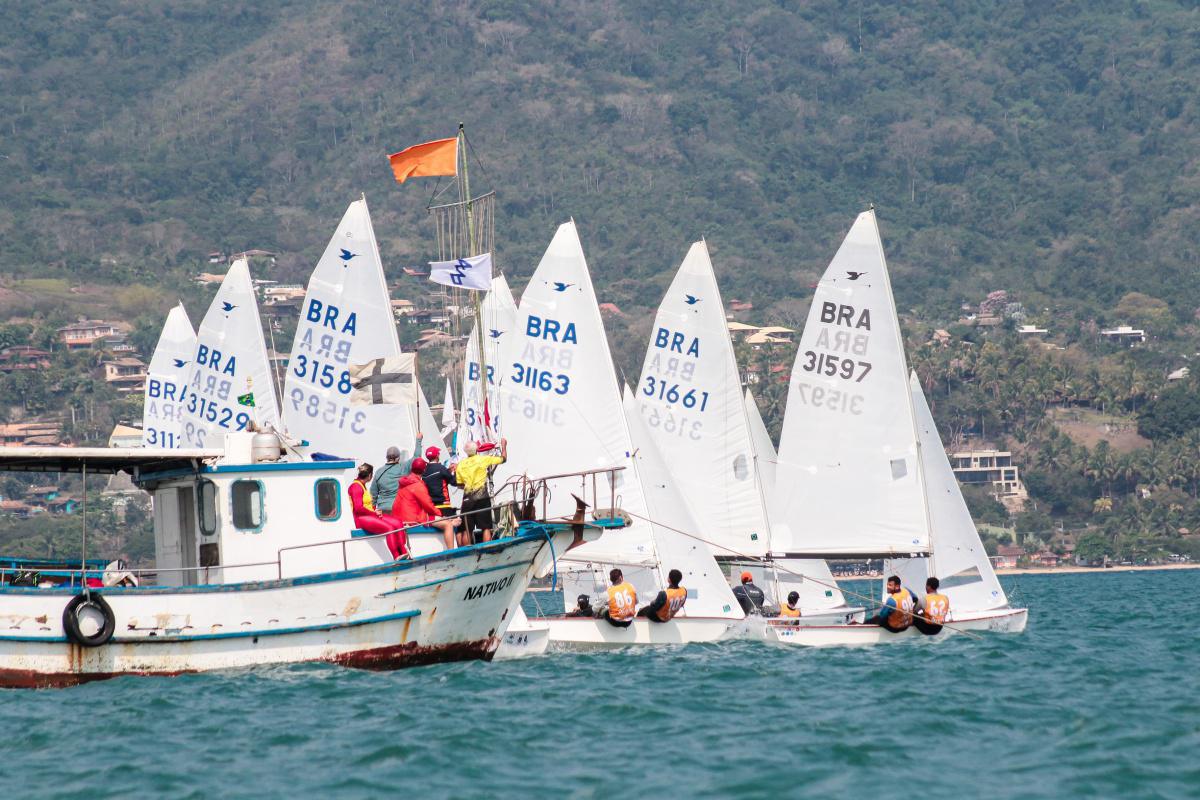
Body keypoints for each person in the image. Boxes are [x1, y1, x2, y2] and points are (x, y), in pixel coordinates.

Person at [394, 458, 458, 551]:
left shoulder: (405, 482)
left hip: (400, 517)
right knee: (448, 524)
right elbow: (428, 505)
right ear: (424, 470)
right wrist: (441, 515)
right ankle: (451, 552)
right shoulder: (418, 485)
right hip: (413, 517)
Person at [348, 463, 408, 559]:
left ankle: (404, 552)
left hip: (369, 515)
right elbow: (358, 508)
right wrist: (374, 513)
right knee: (390, 528)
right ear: (369, 475)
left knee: (398, 522)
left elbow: (366, 506)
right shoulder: (356, 487)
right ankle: (396, 556)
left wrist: (375, 511)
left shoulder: (362, 485)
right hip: (361, 519)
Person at [455, 438, 507, 546]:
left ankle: (467, 552)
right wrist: (504, 445)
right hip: (482, 497)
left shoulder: (460, 465)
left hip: (467, 499)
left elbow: (459, 484)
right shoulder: (483, 459)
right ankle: (486, 548)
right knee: (486, 527)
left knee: (467, 529)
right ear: (477, 449)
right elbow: (503, 459)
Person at [370, 432, 423, 514]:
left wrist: (373, 511)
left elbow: (373, 495)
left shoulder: (379, 472)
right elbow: (417, 457)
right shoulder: (403, 467)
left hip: (383, 510)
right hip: (400, 508)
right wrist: (418, 439)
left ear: (386, 457)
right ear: (398, 458)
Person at [421, 445, 457, 516]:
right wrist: (455, 471)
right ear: (437, 455)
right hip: (444, 504)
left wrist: (448, 471)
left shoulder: (424, 471)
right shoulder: (441, 468)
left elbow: (436, 478)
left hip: (432, 506)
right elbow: (454, 482)